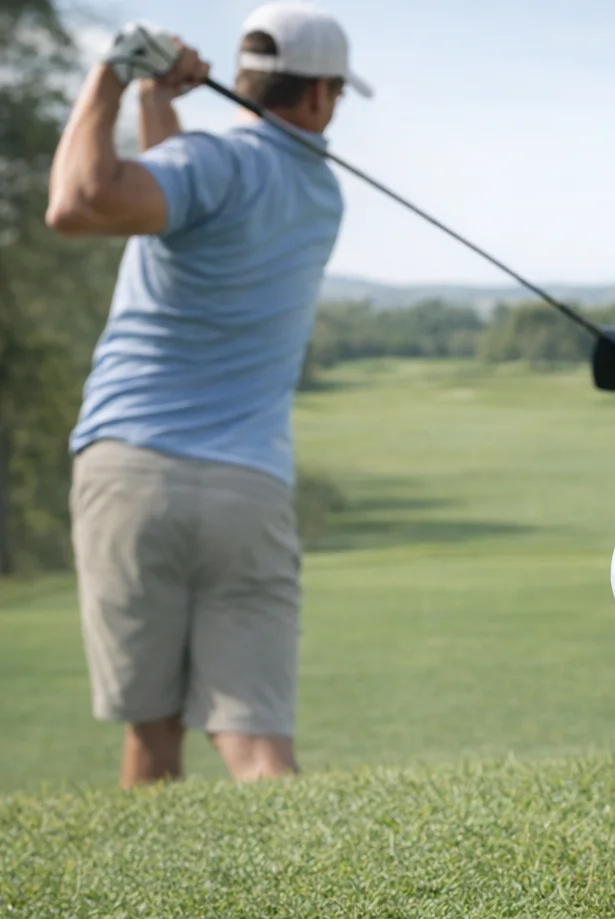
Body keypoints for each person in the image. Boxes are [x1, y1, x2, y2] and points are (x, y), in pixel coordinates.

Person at [45, 3, 372, 788]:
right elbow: (176, 198)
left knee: (152, 735)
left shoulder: (209, 164)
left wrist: (111, 77)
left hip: (131, 474)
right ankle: (303, 906)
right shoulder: (322, 196)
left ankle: (150, 906)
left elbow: (79, 202)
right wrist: (162, 95)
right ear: (322, 94)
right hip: (246, 489)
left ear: (250, 79)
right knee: (258, 746)